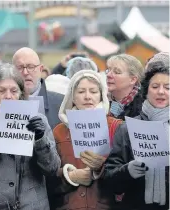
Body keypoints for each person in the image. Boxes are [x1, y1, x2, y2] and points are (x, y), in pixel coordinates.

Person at [0, 63, 61, 210]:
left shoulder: (38, 121)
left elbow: (52, 168)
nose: (8, 96)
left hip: (32, 205)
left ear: (21, 94)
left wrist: (40, 139)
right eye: (1, 91)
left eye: (14, 91)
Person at [50, 70, 123, 210]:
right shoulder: (58, 131)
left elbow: (126, 173)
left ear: (102, 95)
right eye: (81, 91)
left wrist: (102, 169)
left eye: (94, 91)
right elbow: (48, 175)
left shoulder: (116, 127)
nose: (88, 97)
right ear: (72, 96)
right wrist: (69, 176)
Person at [102, 61, 169, 210]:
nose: (161, 92)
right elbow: (108, 180)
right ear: (146, 91)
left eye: (167, 87)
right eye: (155, 86)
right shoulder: (127, 128)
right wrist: (127, 171)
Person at [12, 47, 64, 129]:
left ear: (41, 69)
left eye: (31, 67)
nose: (25, 72)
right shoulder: (3, 102)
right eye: (20, 67)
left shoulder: (61, 104)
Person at [106, 54, 144, 120]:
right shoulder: (100, 102)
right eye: (108, 70)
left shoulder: (144, 108)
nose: (108, 75)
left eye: (117, 72)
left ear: (132, 80)